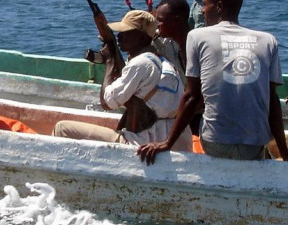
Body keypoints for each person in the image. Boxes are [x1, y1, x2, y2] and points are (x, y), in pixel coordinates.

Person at [137, 0, 288, 165]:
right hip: (255, 143)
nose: (201, 10)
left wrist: (167, 143)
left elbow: (191, 97)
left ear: (219, 6)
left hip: (216, 141)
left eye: (205, 4)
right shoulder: (268, 40)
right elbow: (272, 100)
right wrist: (285, 152)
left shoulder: (197, 36)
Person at [53, 9, 188, 150]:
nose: (119, 36)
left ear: (142, 38)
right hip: (173, 142)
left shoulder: (140, 63)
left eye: (125, 32)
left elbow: (106, 103)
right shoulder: (165, 62)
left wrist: (111, 60)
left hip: (144, 144)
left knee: (62, 128)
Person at [152, 0, 190, 75]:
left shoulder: (193, 47)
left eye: (160, 20)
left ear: (176, 21)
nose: (157, 25)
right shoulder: (180, 46)